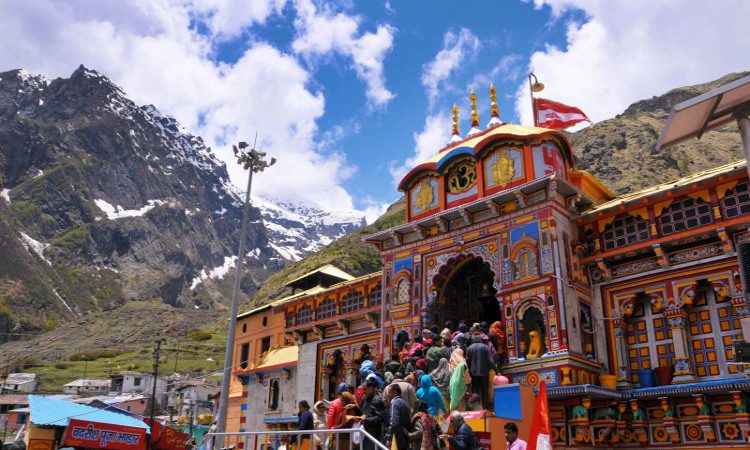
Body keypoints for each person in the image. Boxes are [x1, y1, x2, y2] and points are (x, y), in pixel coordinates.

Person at [466, 333, 499, 410]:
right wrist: (496, 371)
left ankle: (475, 407)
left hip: (473, 373)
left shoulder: (469, 348)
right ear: (481, 340)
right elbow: (490, 361)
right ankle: (485, 408)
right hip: (484, 373)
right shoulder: (485, 347)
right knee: (485, 391)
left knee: (476, 391)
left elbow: (467, 361)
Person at [356, 378, 388, 450]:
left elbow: (381, 418)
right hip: (363, 431)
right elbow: (361, 412)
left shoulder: (379, 399)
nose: (363, 392)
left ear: (371, 388)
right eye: (362, 389)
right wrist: (354, 407)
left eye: (365, 389)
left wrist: (366, 420)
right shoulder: (364, 398)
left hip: (374, 434)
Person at [386, 384, 412, 450]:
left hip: (396, 437)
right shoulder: (404, 402)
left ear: (395, 392)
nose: (387, 394)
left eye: (389, 391)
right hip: (404, 437)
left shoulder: (395, 403)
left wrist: (389, 437)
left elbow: (394, 421)